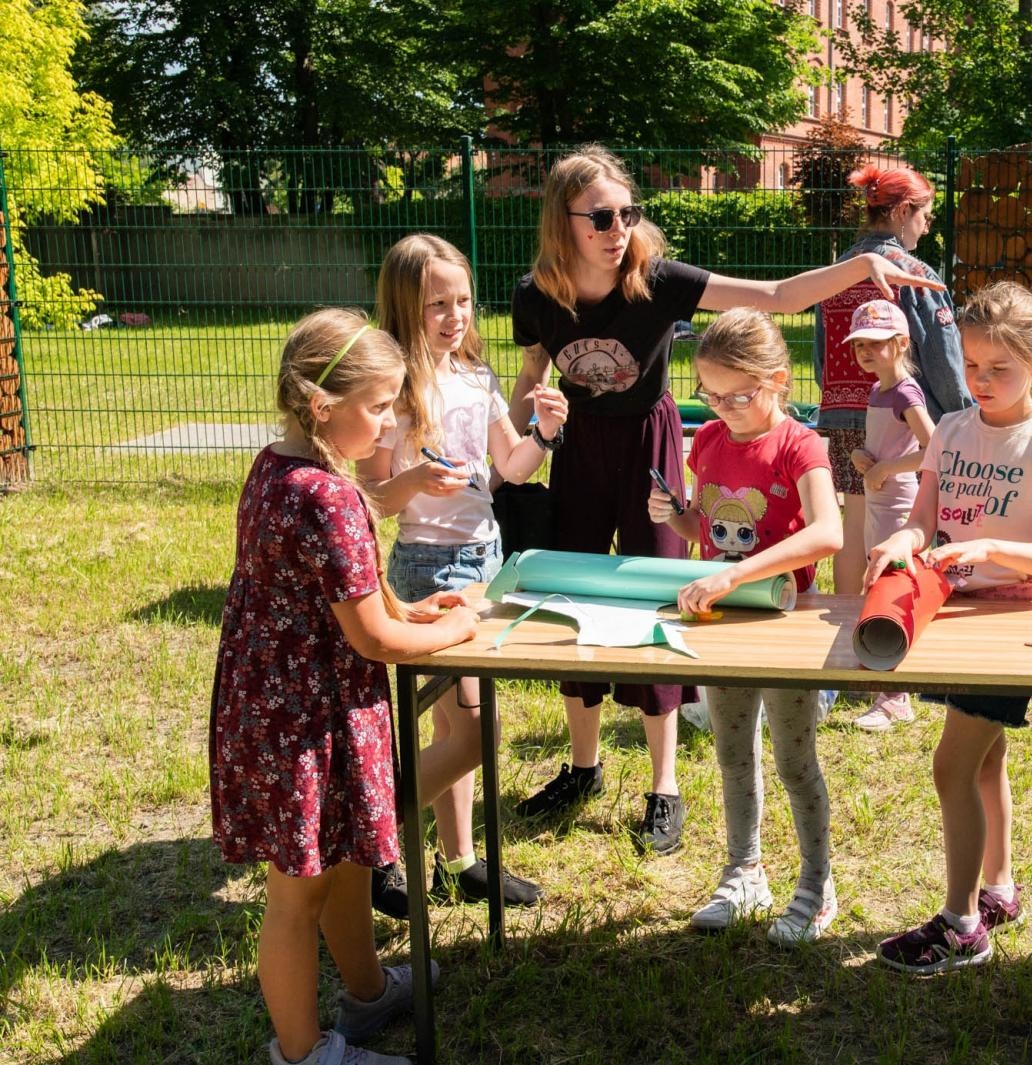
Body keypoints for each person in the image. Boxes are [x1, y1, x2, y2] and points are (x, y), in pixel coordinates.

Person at [507, 145, 941, 855]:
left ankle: (664, 786)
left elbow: (773, 297)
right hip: (577, 451)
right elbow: (529, 374)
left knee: (662, 607)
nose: (619, 227)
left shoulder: (658, 280)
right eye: (603, 216)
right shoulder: (536, 296)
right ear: (565, 221)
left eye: (628, 212)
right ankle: (582, 767)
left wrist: (863, 267)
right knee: (573, 603)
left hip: (649, 446)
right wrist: (525, 427)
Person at [210, 309, 478, 1065]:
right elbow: (375, 640)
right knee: (298, 891)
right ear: (323, 403)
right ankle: (301, 1053)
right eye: (379, 406)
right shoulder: (324, 495)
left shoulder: (281, 465)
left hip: (297, 703)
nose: (390, 423)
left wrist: (408, 605)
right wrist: (452, 632)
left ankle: (365, 994)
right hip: (303, 717)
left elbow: (357, 592)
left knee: (354, 853)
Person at [869, 282, 1032, 974]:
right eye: (971, 365)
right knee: (986, 757)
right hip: (956, 615)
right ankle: (997, 886)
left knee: (951, 764)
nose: (981, 381)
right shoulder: (951, 430)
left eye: (999, 368)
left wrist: (991, 546)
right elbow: (923, 517)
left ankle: (962, 922)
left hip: (1020, 621)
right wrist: (904, 542)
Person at [356, 234, 564, 917]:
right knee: (470, 728)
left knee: (458, 729)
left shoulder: (479, 379)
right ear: (403, 308)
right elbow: (370, 497)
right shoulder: (396, 393)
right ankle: (377, 843)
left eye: (464, 302)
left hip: (486, 561)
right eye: (436, 304)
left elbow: (509, 468)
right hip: (426, 567)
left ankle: (458, 861)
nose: (455, 316)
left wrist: (545, 433)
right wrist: (412, 477)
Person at [646, 308, 843, 943]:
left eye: (740, 394)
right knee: (732, 753)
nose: (724, 406)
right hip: (721, 624)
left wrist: (732, 575)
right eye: (709, 392)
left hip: (784, 626)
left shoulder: (800, 445)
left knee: (793, 758)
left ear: (780, 380)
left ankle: (816, 884)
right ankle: (744, 872)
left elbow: (827, 533)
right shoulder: (706, 441)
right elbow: (707, 529)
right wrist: (675, 514)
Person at [816, 163, 969, 597]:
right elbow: (942, 357)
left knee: (855, 522)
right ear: (902, 212)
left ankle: (847, 612)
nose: (926, 226)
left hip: (845, 413)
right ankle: (895, 607)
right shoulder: (913, 274)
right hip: (906, 417)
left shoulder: (837, 271)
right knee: (906, 518)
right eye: (924, 215)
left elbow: (823, 351)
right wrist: (962, 416)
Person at [842, 299, 936, 731]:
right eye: (859, 343)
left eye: (875, 344)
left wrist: (885, 468)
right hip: (879, 497)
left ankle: (896, 697)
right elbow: (893, 448)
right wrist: (868, 458)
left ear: (900, 344)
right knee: (875, 577)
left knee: (892, 584)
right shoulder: (878, 389)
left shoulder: (905, 391)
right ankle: (881, 674)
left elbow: (931, 448)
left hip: (898, 503)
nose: (864, 351)